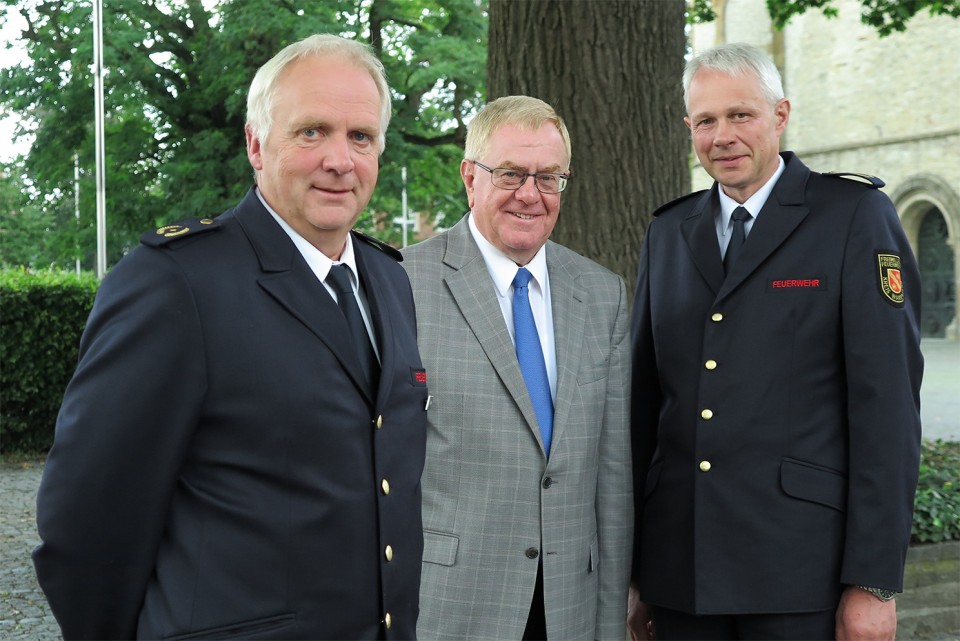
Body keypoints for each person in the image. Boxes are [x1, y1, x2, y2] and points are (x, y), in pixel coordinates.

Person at [32, 34, 428, 640]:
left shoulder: (389, 279)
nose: (340, 160)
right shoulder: (177, 282)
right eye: (311, 131)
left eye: (361, 137)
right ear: (256, 144)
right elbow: (86, 520)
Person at [628, 43, 922, 641]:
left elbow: (887, 410)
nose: (723, 136)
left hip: (800, 571)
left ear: (780, 115)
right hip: (681, 571)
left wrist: (874, 582)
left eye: (741, 115)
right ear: (689, 128)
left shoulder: (852, 215)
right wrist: (634, 572)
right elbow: (642, 408)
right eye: (705, 121)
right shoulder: (668, 232)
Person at [401, 95, 633, 641]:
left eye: (548, 178)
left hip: (571, 608)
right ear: (470, 177)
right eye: (510, 174)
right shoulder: (402, 284)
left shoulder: (602, 294)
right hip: (450, 605)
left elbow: (612, 472)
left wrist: (611, 614)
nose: (529, 194)